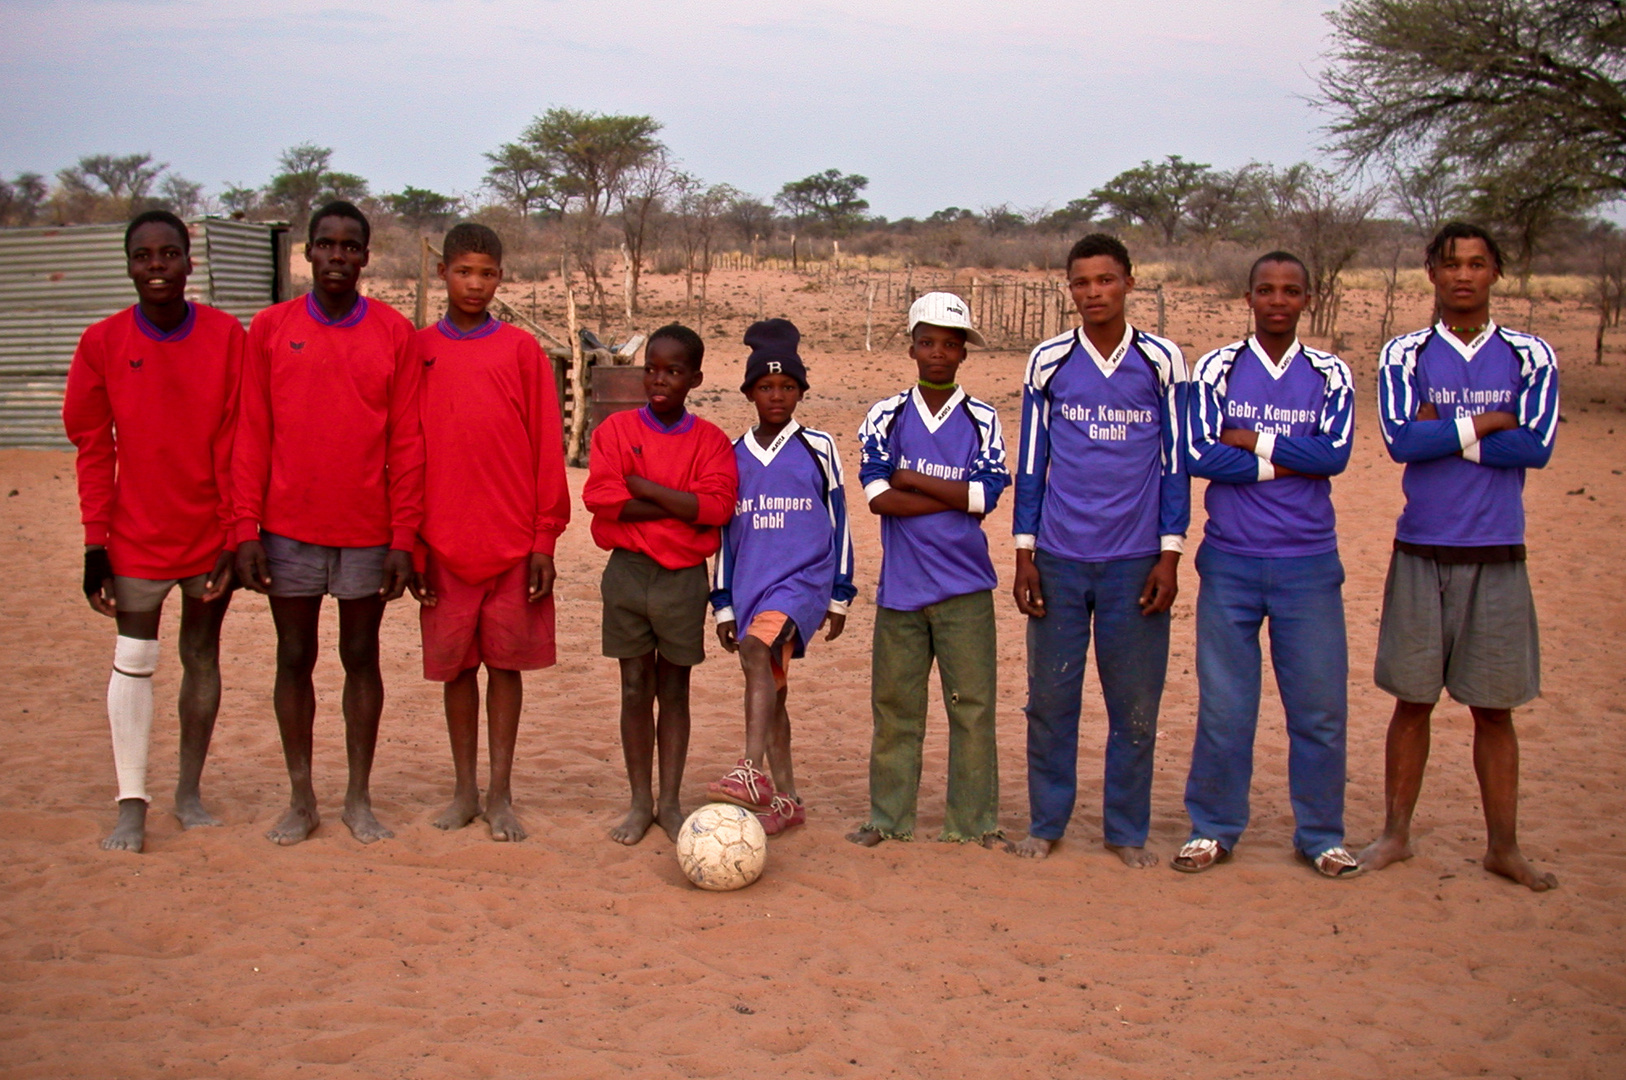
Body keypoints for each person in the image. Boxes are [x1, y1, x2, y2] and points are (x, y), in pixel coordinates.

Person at [1360, 222, 1560, 891]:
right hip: (1421, 548)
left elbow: (1534, 448)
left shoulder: (1530, 356)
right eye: (1451, 265)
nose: (1464, 276)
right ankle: (1396, 834)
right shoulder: (1406, 353)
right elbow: (1398, 441)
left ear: (1497, 273)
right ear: (1431, 274)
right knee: (1412, 701)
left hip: (1499, 551)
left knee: (1494, 709)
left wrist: (1441, 430)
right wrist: (1490, 421)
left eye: (1477, 264)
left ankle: (1503, 846)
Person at [232, 200, 424, 846]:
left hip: (368, 532)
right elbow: (251, 435)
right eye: (326, 244)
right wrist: (244, 528)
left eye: (350, 246)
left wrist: (404, 538)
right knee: (294, 657)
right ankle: (300, 798)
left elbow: (408, 445)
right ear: (306, 253)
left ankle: (359, 799)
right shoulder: (269, 329)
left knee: (360, 657)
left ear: (366, 257)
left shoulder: (395, 334)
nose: (337, 256)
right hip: (286, 530)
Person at [63, 209, 244, 852]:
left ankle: (188, 793)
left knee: (202, 656)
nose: (157, 267)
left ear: (189, 262)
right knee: (134, 661)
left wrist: (233, 533)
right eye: (144, 256)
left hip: (207, 534)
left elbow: (238, 439)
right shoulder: (102, 342)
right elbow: (91, 446)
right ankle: (131, 803)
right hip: (135, 534)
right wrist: (94, 545)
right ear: (130, 265)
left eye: (169, 254)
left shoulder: (227, 337)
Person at [1175, 252, 1360, 878]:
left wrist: (1252, 440)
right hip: (1229, 561)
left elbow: (1334, 455)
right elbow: (1201, 453)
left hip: (1309, 563)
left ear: (1307, 298)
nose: (1278, 300)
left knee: (1318, 708)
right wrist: (1292, 459)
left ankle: (1321, 833)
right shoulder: (1219, 367)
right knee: (1227, 707)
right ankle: (1214, 827)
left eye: (1291, 290)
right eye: (1265, 290)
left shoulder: (1329, 372)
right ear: (1248, 298)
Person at [1008, 233, 1189, 867]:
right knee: (1051, 700)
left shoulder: (1164, 361)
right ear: (1070, 289)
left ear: (1129, 284)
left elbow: (1175, 464)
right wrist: (1025, 550)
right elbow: (1032, 460)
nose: (1094, 293)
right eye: (1082, 283)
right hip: (1058, 555)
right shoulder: (1049, 361)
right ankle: (1047, 820)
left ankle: (1125, 830)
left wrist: (1170, 553)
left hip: (1136, 560)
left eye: (1106, 280)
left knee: (1133, 704)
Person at [410, 223, 569, 842]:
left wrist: (543, 540)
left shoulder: (522, 352)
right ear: (443, 273)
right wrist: (416, 543)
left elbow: (544, 449)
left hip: (511, 544)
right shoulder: (418, 349)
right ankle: (463, 790)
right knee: (455, 670)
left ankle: (501, 792)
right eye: (463, 272)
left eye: (487, 273)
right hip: (442, 545)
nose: (475, 284)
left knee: (506, 668)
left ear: (501, 277)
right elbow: (407, 447)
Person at [847, 292, 1010, 847]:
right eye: (927, 343)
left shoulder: (983, 419)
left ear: (963, 352)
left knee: (973, 709)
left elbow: (986, 498)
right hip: (901, 591)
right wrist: (952, 495)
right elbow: (877, 499)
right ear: (913, 347)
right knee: (896, 709)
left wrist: (911, 478)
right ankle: (887, 819)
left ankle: (973, 823)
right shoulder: (885, 415)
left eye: (949, 344)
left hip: (967, 589)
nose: (937, 353)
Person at [582, 325, 738, 845]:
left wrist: (643, 486)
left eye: (673, 371)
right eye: (651, 367)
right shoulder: (615, 431)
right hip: (626, 575)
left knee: (674, 690)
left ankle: (669, 801)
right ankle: (639, 802)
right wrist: (680, 504)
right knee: (632, 688)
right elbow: (602, 500)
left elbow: (715, 509)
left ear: (694, 378)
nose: (659, 379)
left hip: (681, 582)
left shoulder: (711, 441)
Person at [707, 319, 855, 835]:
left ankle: (750, 773)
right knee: (772, 689)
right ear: (749, 391)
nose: (777, 396)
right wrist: (722, 602)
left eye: (787, 387)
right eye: (766, 387)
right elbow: (724, 534)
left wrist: (839, 593)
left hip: (804, 583)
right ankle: (789, 800)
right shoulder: (731, 454)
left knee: (755, 650)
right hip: (750, 586)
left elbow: (840, 522)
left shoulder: (819, 447)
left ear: (801, 391)